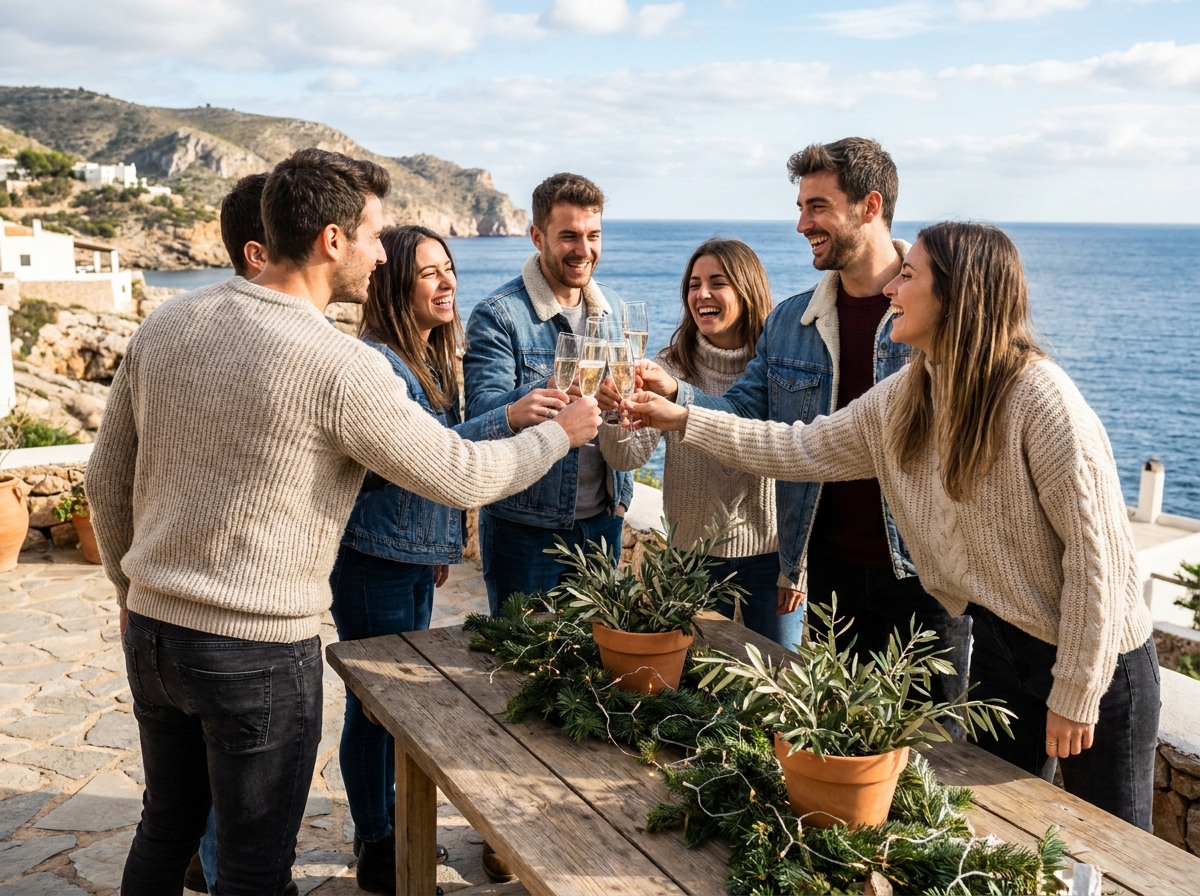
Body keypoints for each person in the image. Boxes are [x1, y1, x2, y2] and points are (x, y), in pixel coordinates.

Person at [89, 148, 601, 895]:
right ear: (332, 240)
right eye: (374, 234)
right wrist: (564, 432)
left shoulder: (171, 320)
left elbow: (105, 481)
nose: (381, 253)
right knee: (257, 866)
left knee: (165, 829)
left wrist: (129, 594)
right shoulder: (339, 366)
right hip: (256, 654)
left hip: (156, 635)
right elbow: (463, 474)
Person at [627, 221, 1160, 830]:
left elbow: (1100, 566)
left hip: (1100, 663)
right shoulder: (913, 390)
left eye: (909, 276)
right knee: (994, 831)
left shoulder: (1041, 401)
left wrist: (1074, 691)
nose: (891, 290)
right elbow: (799, 448)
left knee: (1120, 849)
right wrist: (682, 417)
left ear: (958, 295)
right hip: (1002, 647)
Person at [638, 138, 968, 705]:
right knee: (842, 738)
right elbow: (745, 414)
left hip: (925, 577)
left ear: (869, 206)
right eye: (800, 207)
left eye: (817, 206)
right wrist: (677, 397)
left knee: (935, 752)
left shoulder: (940, 313)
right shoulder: (792, 322)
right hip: (831, 574)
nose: (801, 224)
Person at [332, 225, 571, 891]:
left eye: (449, 269)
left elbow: (436, 459)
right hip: (373, 555)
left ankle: (385, 828)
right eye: (428, 273)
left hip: (409, 552)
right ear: (392, 285)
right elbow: (431, 456)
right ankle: (378, 845)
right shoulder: (381, 364)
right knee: (374, 706)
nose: (447, 283)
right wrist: (516, 416)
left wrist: (442, 545)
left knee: (393, 706)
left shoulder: (435, 356)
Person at [606, 238, 800, 646]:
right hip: (689, 561)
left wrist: (798, 566)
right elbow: (626, 458)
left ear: (748, 291)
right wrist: (614, 412)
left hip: (770, 560)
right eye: (694, 284)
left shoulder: (781, 368)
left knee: (779, 688)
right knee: (693, 687)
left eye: (717, 282)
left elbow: (803, 462)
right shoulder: (669, 365)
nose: (702, 294)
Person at [464, 172, 634, 616]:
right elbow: (481, 416)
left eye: (593, 235)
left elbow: (621, 414)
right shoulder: (498, 315)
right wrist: (552, 387)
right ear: (537, 236)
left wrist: (621, 501)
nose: (584, 250)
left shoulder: (611, 309)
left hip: (602, 525)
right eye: (569, 236)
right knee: (520, 664)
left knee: (591, 667)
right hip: (525, 530)